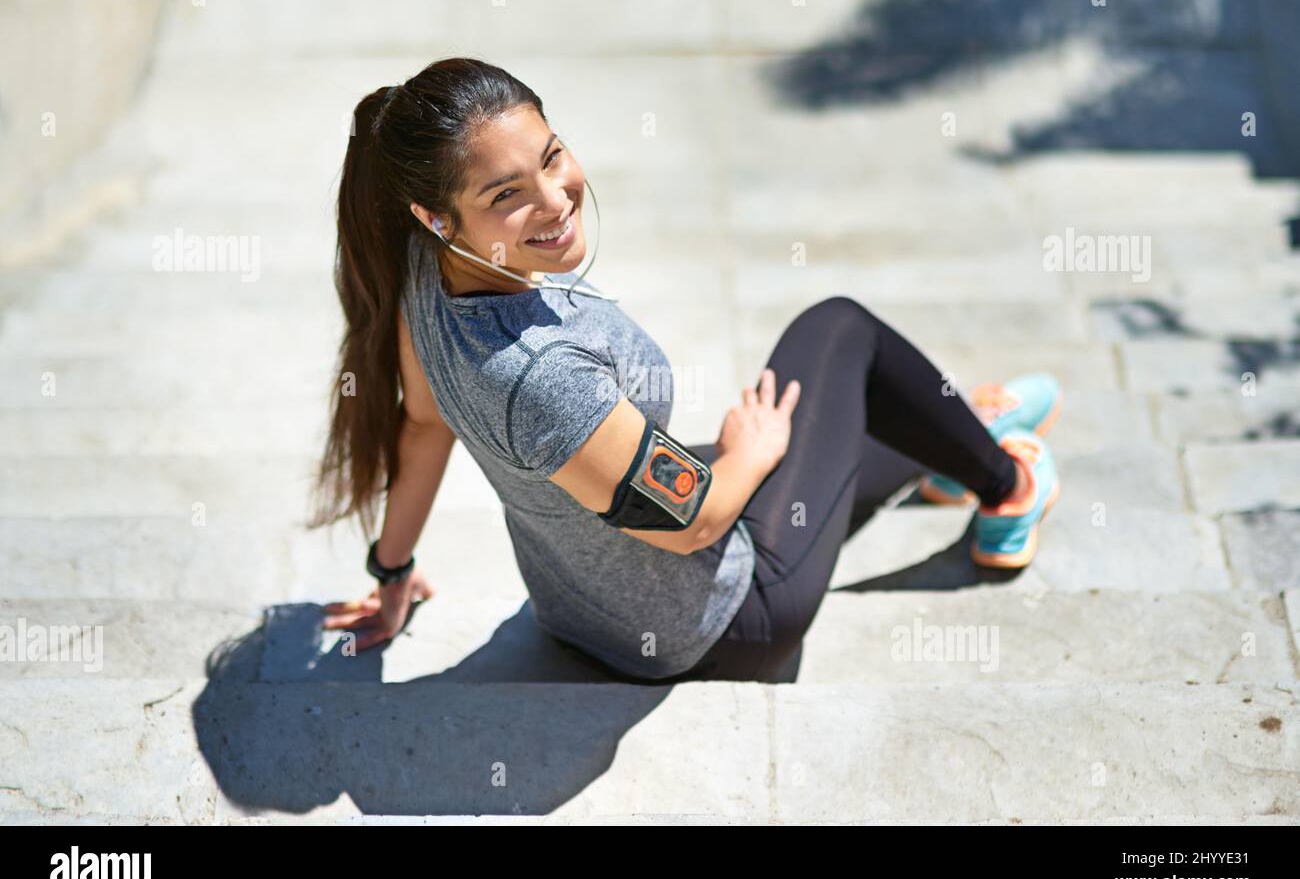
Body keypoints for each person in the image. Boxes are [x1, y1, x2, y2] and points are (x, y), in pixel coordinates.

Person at [308, 57, 1062, 684]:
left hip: (579, 606)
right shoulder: (543, 379)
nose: (555, 199)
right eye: (506, 196)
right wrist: (747, 455)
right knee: (839, 332)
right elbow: (693, 521)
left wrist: (391, 569)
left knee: (840, 420)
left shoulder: (425, 267)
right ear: (438, 215)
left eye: (551, 156)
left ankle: (954, 442)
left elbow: (425, 423)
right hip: (726, 610)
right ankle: (1008, 485)